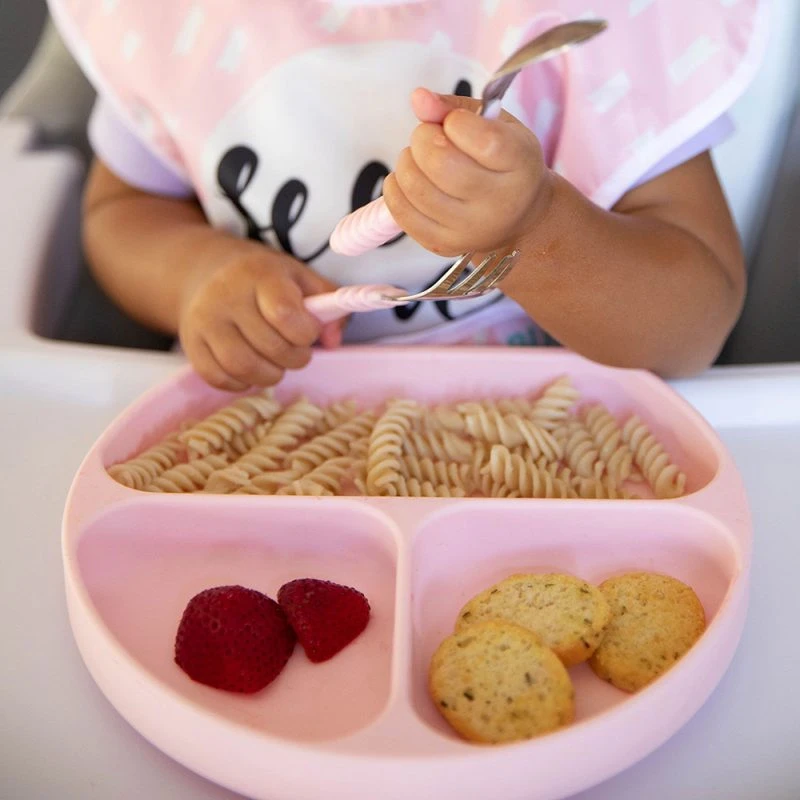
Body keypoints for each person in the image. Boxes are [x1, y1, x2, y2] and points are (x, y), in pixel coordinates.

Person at [47, 0, 766, 390]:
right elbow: (124, 214)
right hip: (265, 425)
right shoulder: (175, 21)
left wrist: (535, 228)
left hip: (545, 438)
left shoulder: (597, 24)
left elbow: (696, 319)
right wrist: (196, 275)